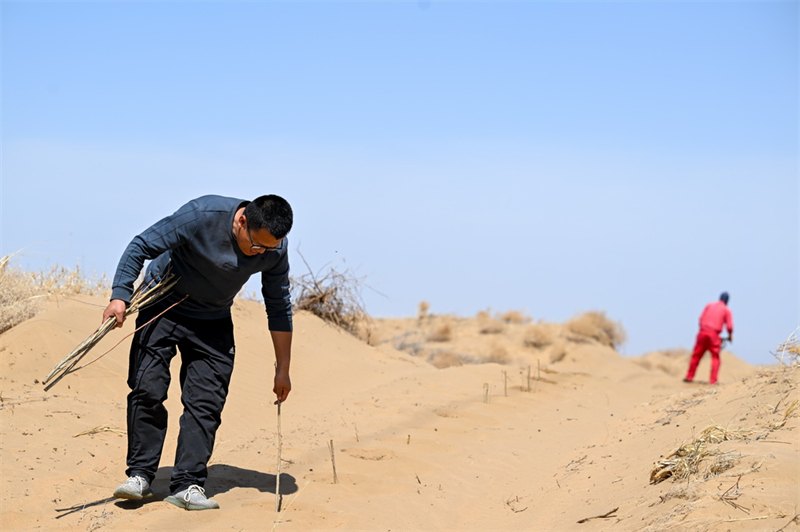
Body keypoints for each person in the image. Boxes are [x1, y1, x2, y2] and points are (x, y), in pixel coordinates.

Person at [103, 194, 294, 511]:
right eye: (256, 245)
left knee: (205, 403)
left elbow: (279, 305)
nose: (260, 253)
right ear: (242, 221)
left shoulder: (274, 249)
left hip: (213, 319)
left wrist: (283, 368)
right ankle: (139, 476)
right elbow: (140, 245)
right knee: (147, 389)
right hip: (161, 305)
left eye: (269, 248)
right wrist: (120, 295)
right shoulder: (202, 215)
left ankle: (187, 485)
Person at [683, 292, 734, 385]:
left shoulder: (709, 305)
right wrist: (730, 336)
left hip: (702, 333)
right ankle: (713, 381)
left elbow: (701, 318)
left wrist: (704, 328)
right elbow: (729, 327)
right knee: (715, 357)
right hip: (714, 335)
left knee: (696, 355)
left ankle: (689, 377)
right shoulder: (726, 310)